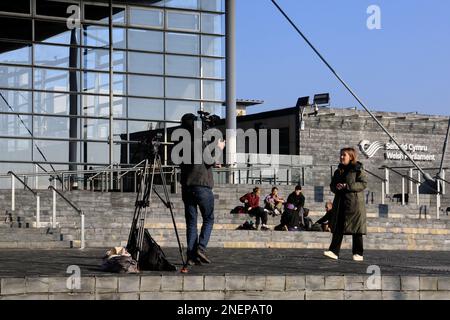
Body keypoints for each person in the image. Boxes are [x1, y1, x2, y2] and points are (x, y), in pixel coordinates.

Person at [179, 113, 225, 266]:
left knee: (191, 222)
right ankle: (201, 248)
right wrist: (219, 148)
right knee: (209, 218)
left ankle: (191, 256)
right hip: (202, 185)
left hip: (187, 186)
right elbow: (209, 159)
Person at [324, 147, 367, 262]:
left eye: (344, 155)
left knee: (356, 228)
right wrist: (336, 187)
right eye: (341, 155)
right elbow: (332, 185)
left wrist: (347, 186)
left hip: (354, 204)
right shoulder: (338, 171)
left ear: (351, 157)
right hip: (340, 202)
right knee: (338, 226)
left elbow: (363, 184)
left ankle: (358, 253)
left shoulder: (357, 169)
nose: (342, 157)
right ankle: (334, 251)